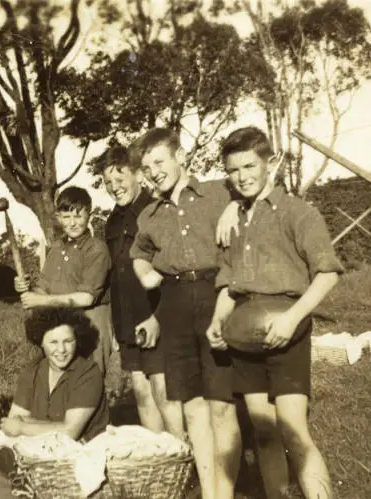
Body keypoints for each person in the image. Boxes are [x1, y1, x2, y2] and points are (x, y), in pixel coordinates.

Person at [206, 126, 345, 499]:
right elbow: (229, 286)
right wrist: (218, 322)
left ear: (271, 162)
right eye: (233, 170)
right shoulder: (234, 220)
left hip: (287, 330)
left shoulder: (298, 213)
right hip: (244, 338)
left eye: (250, 166)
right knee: (264, 431)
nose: (242, 177)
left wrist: (292, 318)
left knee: (293, 431)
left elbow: (328, 274)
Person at [129, 128, 243, 499]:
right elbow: (139, 253)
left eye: (160, 162)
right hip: (174, 304)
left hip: (216, 296)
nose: (154, 172)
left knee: (221, 407)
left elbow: (251, 194)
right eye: (147, 167)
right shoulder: (148, 214)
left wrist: (232, 205)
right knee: (192, 408)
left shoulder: (217, 192)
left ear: (180, 157)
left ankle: (224, 494)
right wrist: (145, 273)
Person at [0, 307, 109, 499]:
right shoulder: (33, 370)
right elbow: (11, 423)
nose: (61, 350)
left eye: (68, 341)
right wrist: (32, 426)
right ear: (41, 342)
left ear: (78, 340)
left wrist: (25, 427)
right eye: (53, 342)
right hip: (37, 453)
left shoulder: (88, 373)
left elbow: (70, 432)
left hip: (72, 458)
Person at [93, 144, 184, 436]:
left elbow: (172, 270)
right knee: (142, 394)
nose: (114, 188)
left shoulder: (154, 210)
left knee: (163, 391)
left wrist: (159, 316)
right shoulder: (111, 222)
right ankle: (162, 462)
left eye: (120, 179)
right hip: (127, 320)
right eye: (108, 183)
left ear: (136, 174)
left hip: (157, 315)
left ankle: (185, 457)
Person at [15, 186, 114, 376]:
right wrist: (26, 289)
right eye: (67, 217)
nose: (73, 223)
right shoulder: (56, 249)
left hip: (91, 324)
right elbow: (43, 289)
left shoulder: (96, 249)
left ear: (89, 216)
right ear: (59, 218)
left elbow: (86, 299)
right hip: (60, 326)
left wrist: (40, 301)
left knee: (89, 385)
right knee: (62, 386)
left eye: (78, 216)